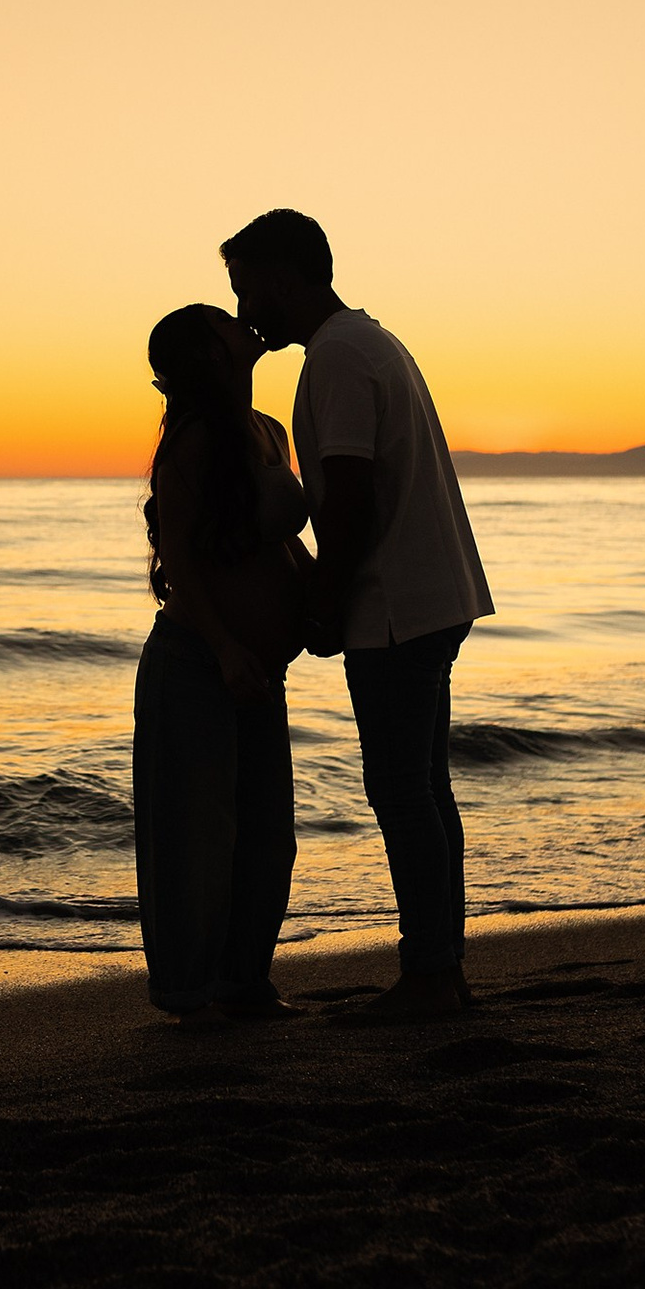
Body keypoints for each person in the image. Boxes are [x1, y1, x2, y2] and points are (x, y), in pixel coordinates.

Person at [222, 210, 494, 1019]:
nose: (244, 315)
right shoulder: (370, 342)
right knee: (426, 790)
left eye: (247, 292)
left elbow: (350, 499)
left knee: (403, 792)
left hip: (398, 607)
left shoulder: (337, 358)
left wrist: (325, 602)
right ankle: (440, 964)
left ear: (279, 277)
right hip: (432, 594)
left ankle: (429, 975)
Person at [133, 303, 311, 1019]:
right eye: (225, 323)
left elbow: (278, 547)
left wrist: (316, 608)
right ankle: (188, 987)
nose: (244, 323)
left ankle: (245, 977)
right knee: (195, 834)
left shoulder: (267, 429)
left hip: (261, 669)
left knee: (268, 831)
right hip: (199, 663)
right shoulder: (196, 439)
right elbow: (178, 557)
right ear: (207, 353)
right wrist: (227, 646)